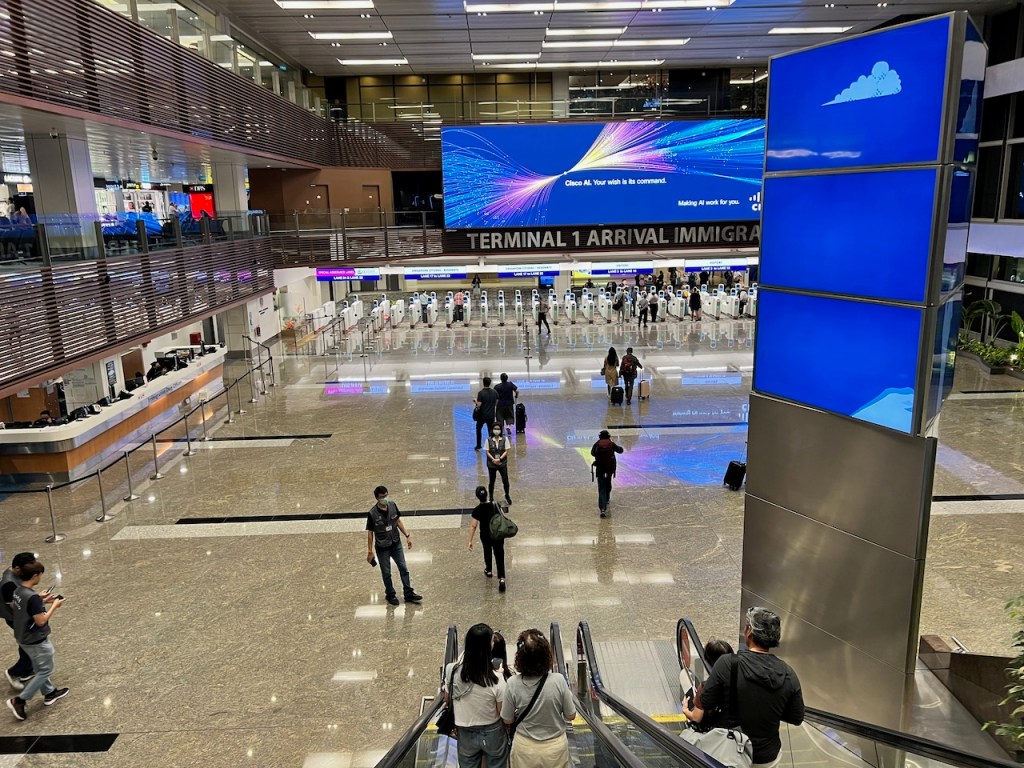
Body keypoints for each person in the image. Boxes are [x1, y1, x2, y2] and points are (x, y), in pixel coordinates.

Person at [683, 607, 804, 767]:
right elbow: (796, 718)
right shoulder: (789, 673)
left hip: (730, 752)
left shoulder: (727, 663)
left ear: (749, 632)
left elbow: (706, 701)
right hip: (767, 757)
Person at [501, 628, 575, 768]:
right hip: (555, 749)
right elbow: (570, 715)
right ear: (546, 654)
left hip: (524, 749)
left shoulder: (512, 683)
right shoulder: (558, 680)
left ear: (520, 657)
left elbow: (507, 719)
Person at [6, 561, 68, 721]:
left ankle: (49, 692)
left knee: (39, 667)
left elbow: (23, 607)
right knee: (45, 670)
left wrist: (42, 600)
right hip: (35, 639)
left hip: (22, 637)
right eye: (40, 575)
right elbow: (40, 621)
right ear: (35, 575)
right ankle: (19, 700)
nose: (40, 577)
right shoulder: (32, 597)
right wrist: (55, 605)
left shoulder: (18, 590)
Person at [445, 623, 509, 768]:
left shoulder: (451, 670)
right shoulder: (497, 679)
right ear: (488, 647)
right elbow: (502, 712)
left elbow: (447, 699)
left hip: (464, 731)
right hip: (493, 731)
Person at [365, 486, 423, 606]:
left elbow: (397, 521)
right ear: (377, 498)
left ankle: (408, 593)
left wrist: (407, 535)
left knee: (404, 569)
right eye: (382, 497)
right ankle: (390, 594)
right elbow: (370, 533)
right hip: (382, 548)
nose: (385, 498)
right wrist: (370, 551)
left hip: (396, 543)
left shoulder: (392, 505)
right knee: (386, 573)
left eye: (386, 495)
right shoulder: (372, 513)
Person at [1, 553, 39, 691]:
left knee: (27, 644)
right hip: (17, 619)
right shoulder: (8, 584)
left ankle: (26, 671)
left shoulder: (16, 574)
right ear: (17, 568)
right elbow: (17, 606)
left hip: (21, 617)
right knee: (29, 645)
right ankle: (14, 672)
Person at [684, 639, 734, 733]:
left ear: (707, 661)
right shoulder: (743, 679)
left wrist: (685, 710)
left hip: (718, 733)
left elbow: (696, 718)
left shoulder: (706, 687)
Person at [468, 486, 507, 592]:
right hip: (497, 534)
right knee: (499, 554)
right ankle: (501, 578)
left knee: (487, 551)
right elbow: (503, 517)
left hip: (485, 535)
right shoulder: (496, 505)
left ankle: (488, 570)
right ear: (487, 494)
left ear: (477, 497)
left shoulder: (477, 510)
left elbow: (473, 526)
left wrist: (470, 541)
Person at [591, 430, 624, 518]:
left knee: (601, 487)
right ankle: (608, 498)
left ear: (600, 437)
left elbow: (592, 453)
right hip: (610, 469)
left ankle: (602, 508)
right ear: (609, 436)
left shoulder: (597, 444)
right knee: (608, 483)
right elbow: (620, 450)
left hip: (600, 469)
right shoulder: (611, 444)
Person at [485, 423, 511, 506]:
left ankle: (507, 495)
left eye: (498, 429)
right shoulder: (488, 440)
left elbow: (506, 450)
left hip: (502, 463)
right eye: (495, 429)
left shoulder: (504, 439)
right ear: (492, 430)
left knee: (505, 480)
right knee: (492, 481)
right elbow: (487, 452)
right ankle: (491, 497)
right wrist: (494, 460)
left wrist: (500, 459)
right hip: (492, 464)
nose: (497, 430)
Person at [474, 376, 498, 450]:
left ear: (483, 383)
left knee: (478, 429)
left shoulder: (481, 393)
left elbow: (479, 405)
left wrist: (475, 401)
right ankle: (492, 445)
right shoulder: (494, 392)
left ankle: (478, 445)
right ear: (490, 383)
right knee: (491, 430)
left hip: (482, 415)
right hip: (491, 415)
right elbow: (496, 403)